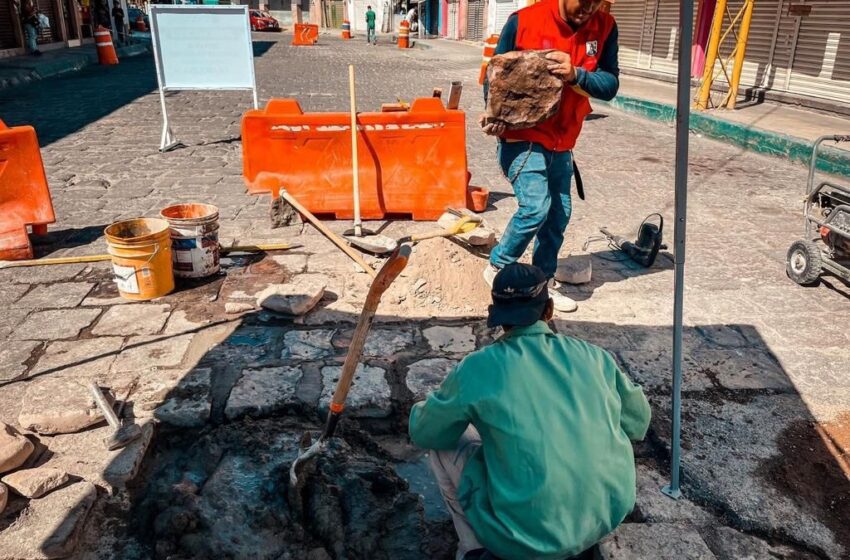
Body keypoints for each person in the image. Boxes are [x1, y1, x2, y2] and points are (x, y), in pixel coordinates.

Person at [409, 263, 650, 560]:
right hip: (605, 514)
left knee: (442, 450)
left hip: (525, 538)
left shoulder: (478, 367)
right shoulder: (594, 357)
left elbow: (426, 432)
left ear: (497, 316)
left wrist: (428, 406)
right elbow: (638, 423)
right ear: (549, 310)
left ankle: (473, 548)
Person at [481, 0, 620, 314]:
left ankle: (542, 283)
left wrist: (576, 75)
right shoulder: (523, 21)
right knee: (535, 206)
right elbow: (493, 76)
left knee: (558, 214)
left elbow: (610, 85)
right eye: (583, 2)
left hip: (563, 140)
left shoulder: (605, 27)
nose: (589, 9)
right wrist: (494, 114)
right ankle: (498, 265)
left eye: (596, 2)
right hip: (522, 136)